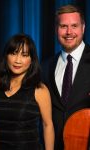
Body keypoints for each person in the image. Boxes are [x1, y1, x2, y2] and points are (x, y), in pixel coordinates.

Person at [0, 34, 54, 150]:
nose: (17, 60)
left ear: (31, 60)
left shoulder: (40, 89)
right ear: (6, 56)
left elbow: (47, 125)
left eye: (24, 55)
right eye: (13, 53)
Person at [41, 4, 90, 149]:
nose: (69, 32)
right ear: (57, 29)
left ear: (83, 27)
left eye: (74, 26)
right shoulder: (45, 66)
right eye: (63, 26)